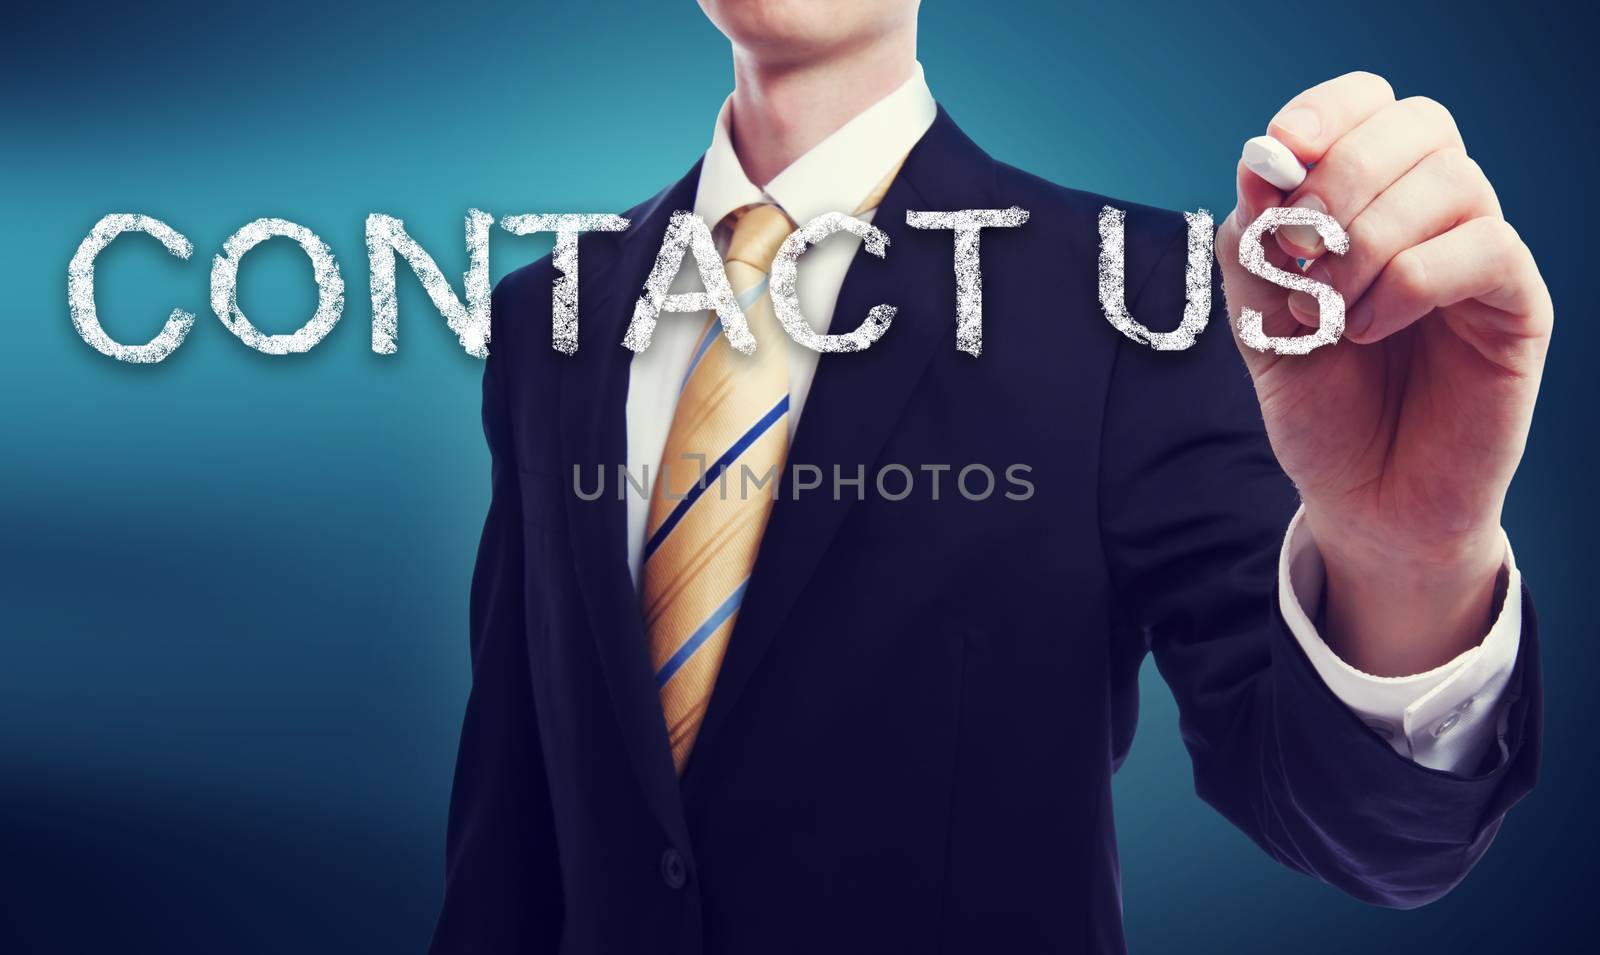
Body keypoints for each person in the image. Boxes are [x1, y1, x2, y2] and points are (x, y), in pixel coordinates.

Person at [430, 1, 1550, 952]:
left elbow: (1342, 820)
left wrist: (1404, 562)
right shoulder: (547, 319)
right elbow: (510, 820)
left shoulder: (1132, 291)